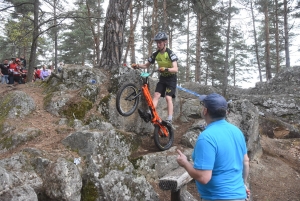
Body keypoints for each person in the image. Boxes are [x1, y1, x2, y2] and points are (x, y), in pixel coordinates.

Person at [176, 93, 250, 201]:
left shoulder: (206, 138)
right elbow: (246, 162)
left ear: (205, 111)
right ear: (225, 112)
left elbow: (204, 177)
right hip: (239, 196)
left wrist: (185, 163)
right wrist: (243, 184)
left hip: (218, 197)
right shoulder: (237, 131)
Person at [131, 31, 178, 124]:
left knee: (168, 98)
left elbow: (176, 69)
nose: (158, 44)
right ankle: (149, 113)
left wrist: (165, 69)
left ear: (165, 42)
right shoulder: (156, 54)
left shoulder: (170, 54)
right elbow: (146, 65)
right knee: (156, 95)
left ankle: (169, 118)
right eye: (157, 42)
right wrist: (137, 65)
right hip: (163, 78)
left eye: (160, 42)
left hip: (171, 79)